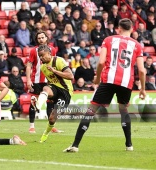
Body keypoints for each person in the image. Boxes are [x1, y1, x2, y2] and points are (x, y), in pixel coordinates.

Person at [63, 18, 146, 153]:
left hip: (108, 80)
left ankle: (75, 145)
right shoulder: (137, 45)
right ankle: (129, 145)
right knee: (124, 111)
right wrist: (142, 88)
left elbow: (101, 62)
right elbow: (142, 70)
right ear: (132, 29)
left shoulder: (108, 40)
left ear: (118, 28)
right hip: (126, 82)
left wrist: (97, 78)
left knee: (91, 111)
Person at [33, 44, 73, 143]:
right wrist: (49, 96)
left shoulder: (58, 61)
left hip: (65, 92)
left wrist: (55, 71)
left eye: (42, 55)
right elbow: (50, 81)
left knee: (52, 119)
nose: (41, 58)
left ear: (49, 53)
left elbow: (70, 76)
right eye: (39, 56)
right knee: (46, 88)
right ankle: (38, 105)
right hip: (54, 88)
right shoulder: (43, 67)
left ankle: (45, 134)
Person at [26, 30, 60, 134]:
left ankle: (51, 126)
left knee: (50, 104)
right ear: (37, 40)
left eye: (42, 37)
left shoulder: (52, 49)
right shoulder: (33, 51)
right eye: (39, 38)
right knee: (33, 102)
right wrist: (28, 80)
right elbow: (29, 65)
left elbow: (54, 63)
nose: (41, 39)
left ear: (46, 38)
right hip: (36, 81)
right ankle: (31, 126)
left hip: (49, 81)